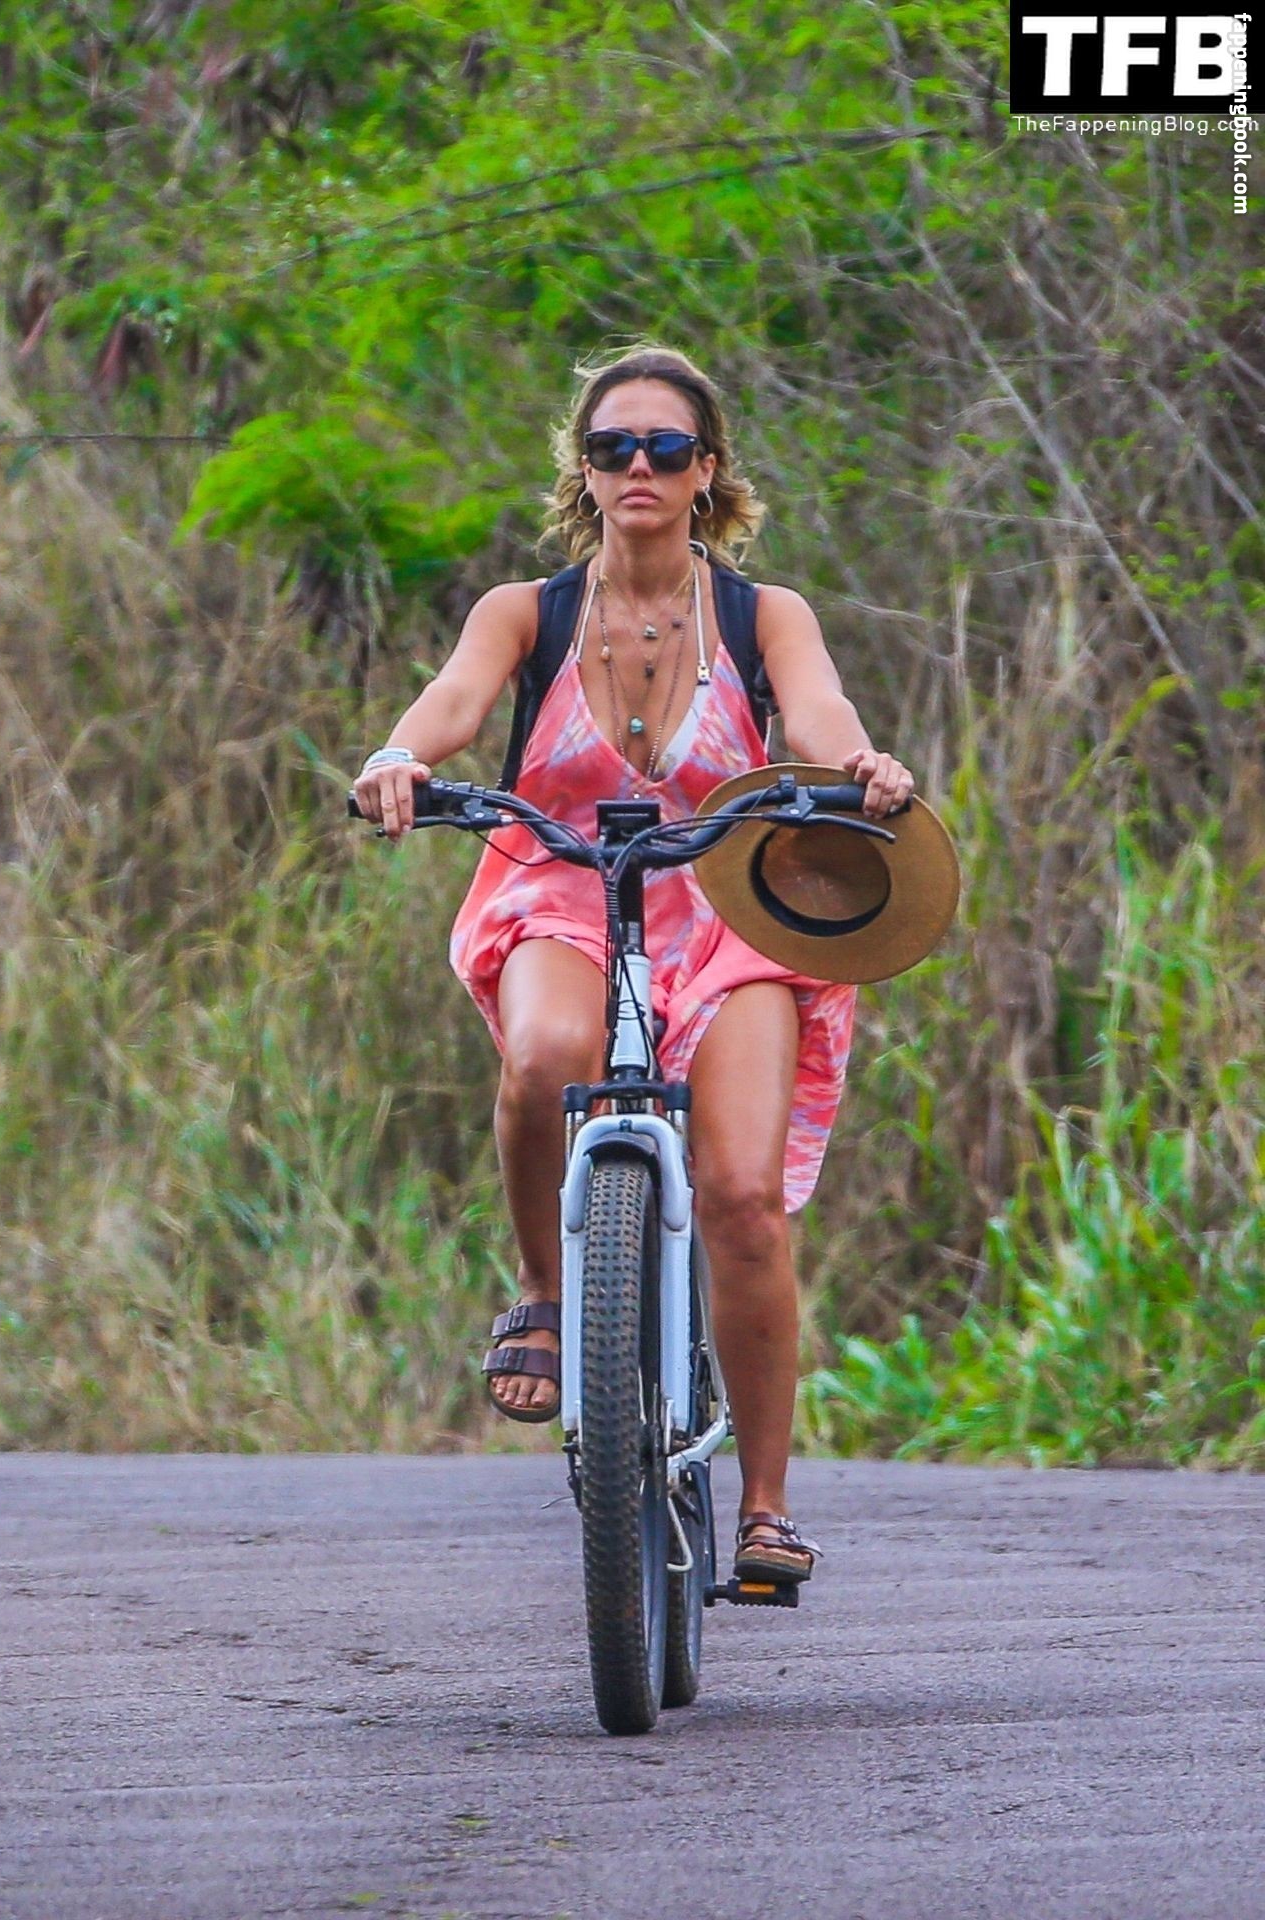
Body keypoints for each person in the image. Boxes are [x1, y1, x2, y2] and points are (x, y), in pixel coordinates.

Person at [353, 344, 914, 1585]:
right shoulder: (527, 612)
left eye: (666, 447)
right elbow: (453, 700)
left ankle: (762, 1507)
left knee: (742, 1199)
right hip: (561, 885)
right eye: (614, 448)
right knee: (545, 1053)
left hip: (729, 902)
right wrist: (399, 756)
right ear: (586, 470)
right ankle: (548, 1296)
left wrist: (856, 764)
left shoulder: (764, 616)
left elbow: (816, 715)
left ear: (706, 470)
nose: (639, 467)